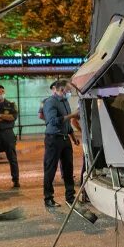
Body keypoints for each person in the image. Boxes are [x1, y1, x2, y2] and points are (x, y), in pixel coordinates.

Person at [43, 79, 78, 208]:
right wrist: (72, 115)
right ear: (62, 89)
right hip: (53, 139)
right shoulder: (50, 102)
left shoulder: (65, 101)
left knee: (68, 168)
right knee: (50, 169)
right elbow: (53, 121)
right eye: (69, 90)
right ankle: (48, 198)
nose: (70, 93)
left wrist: (73, 136)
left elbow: (66, 123)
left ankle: (70, 197)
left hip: (65, 139)